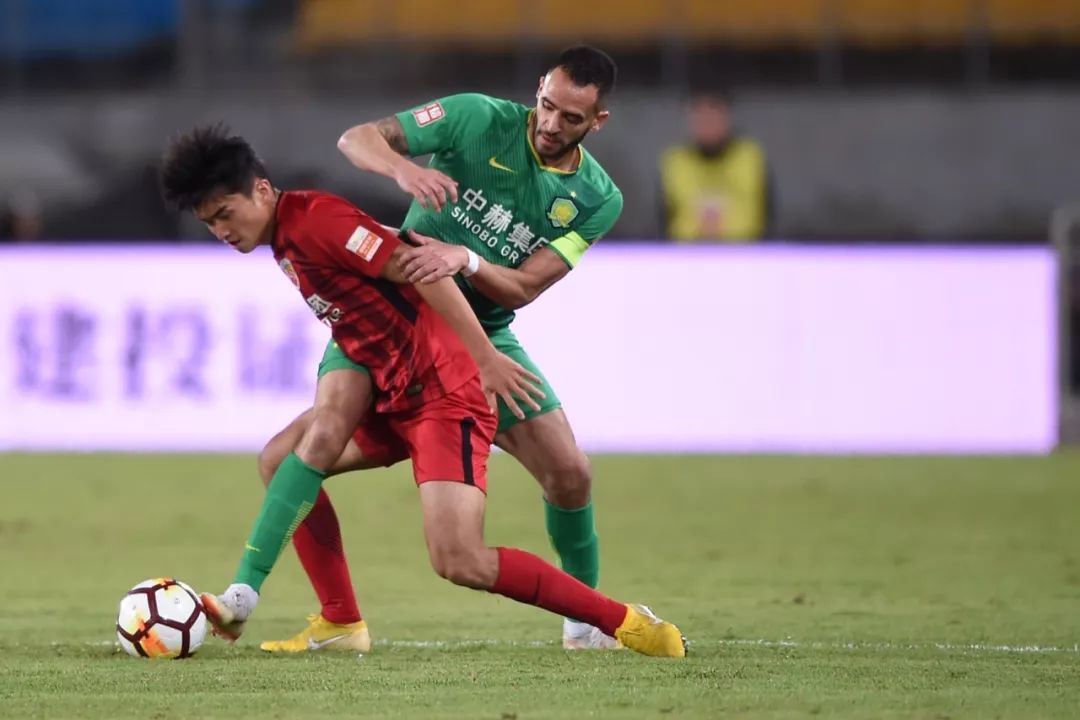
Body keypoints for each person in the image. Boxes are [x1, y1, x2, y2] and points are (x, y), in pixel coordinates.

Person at [158, 124, 687, 659]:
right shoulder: (285, 240)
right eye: (209, 223)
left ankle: (619, 620)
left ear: (262, 191)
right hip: (394, 390)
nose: (221, 230)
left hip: (443, 390)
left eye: (226, 213)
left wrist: (484, 358)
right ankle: (334, 620)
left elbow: (420, 266)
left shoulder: (316, 221)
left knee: (460, 558)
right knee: (283, 457)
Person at [258, 44, 627, 652]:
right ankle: (339, 618)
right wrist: (402, 170)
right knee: (288, 460)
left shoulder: (596, 198)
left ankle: (586, 623)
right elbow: (357, 138)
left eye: (571, 118)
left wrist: (468, 258)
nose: (551, 124)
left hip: (481, 340)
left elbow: (527, 285)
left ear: (598, 122)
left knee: (570, 475)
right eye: (546, 105)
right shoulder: (477, 117)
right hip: (388, 322)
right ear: (538, 88)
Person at [659, 86, 773, 242]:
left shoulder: (749, 158)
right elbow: (663, 223)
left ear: (727, 116)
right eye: (700, 115)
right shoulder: (675, 161)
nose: (708, 122)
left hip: (745, 255)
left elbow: (766, 218)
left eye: (714, 113)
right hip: (686, 256)